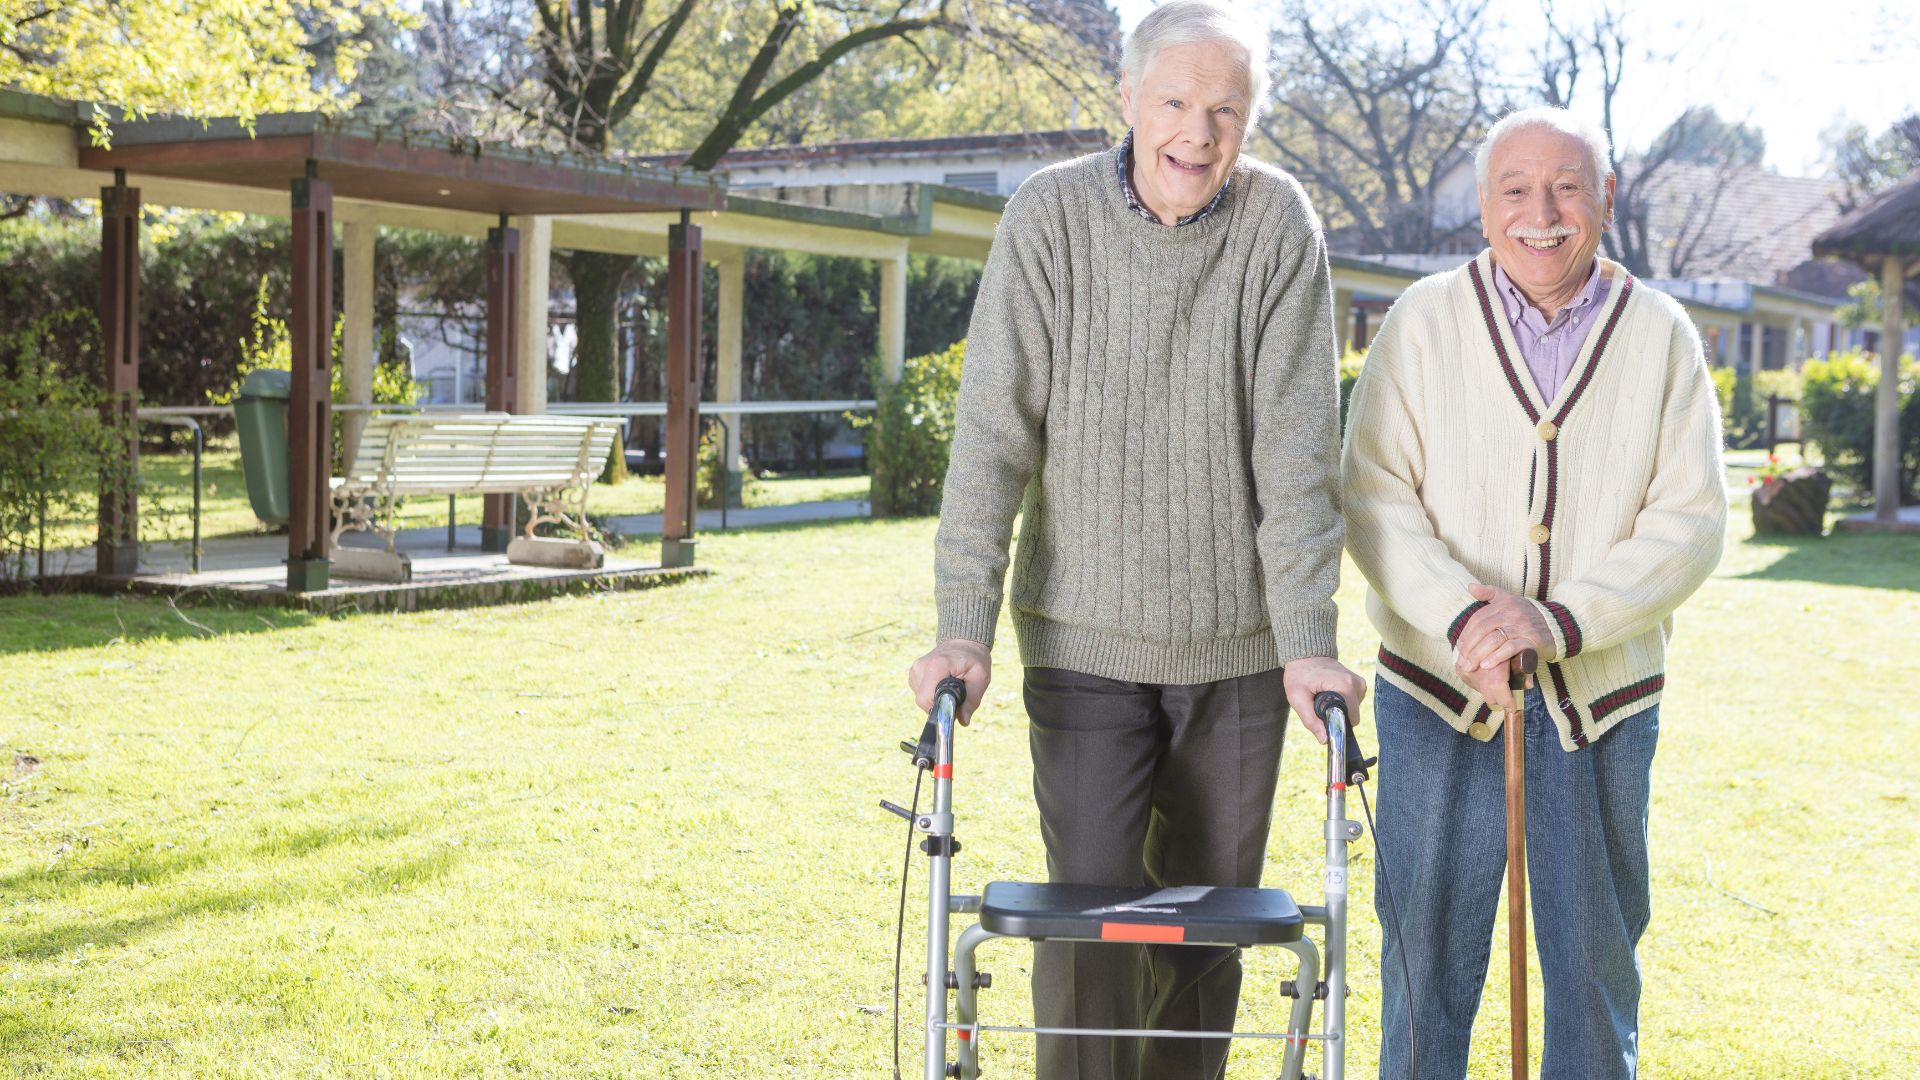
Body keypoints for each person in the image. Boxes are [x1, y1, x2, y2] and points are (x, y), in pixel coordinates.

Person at [904, 3, 1365, 1077]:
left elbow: (1298, 458)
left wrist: (1306, 639)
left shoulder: (1276, 224)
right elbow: (990, 441)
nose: (1197, 134)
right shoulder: (1048, 218)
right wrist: (962, 631)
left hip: (1242, 660)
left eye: (1225, 111)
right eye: (1174, 102)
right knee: (1088, 933)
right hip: (1084, 649)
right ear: (1126, 98)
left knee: (1208, 938)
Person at [1340, 105, 1729, 1080]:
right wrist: (1467, 616)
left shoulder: (1661, 334)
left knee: (1593, 969)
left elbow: (1691, 521)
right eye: (1516, 189)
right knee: (1424, 965)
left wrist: (1557, 621)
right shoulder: (1424, 321)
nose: (1541, 212)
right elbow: (1375, 495)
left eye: (1567, 187)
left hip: (1597, 705)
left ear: (1605, 196)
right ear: (1483, 205)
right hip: (1438, 694)